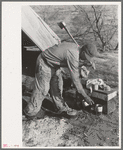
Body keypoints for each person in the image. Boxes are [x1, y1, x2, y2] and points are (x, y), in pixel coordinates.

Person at [24, 42, 99, 119]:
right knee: (43, 89)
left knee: (58, 86)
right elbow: (75, 79)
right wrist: (85, 96)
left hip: (54, 65)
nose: (85, 59)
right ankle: (30, 112)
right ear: (83, 52)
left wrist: (85, 64)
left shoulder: (76, 49)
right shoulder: (73, 54)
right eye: (86, 57)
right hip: (45, 62)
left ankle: (60, 108)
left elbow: (72, 63)